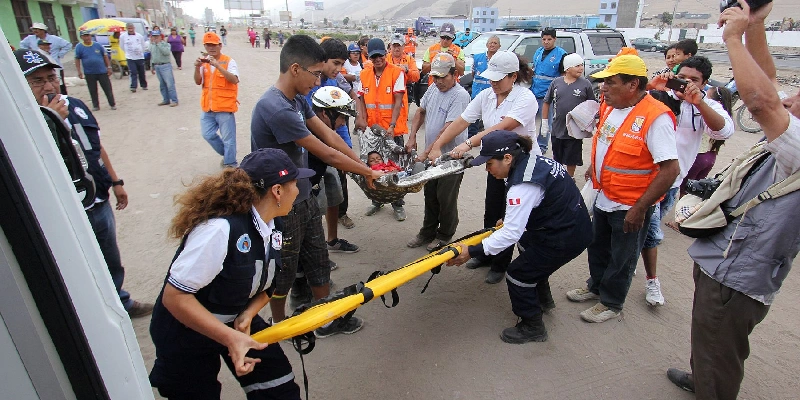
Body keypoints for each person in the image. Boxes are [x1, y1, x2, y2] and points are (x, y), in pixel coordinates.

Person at [667, 2, 800, 397]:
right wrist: (754, 27)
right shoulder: (790, 140)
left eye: (797, 99)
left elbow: (762, 100)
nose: (788, 101)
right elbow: (769, 83)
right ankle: (702, 377)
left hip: (738, 273)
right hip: (726, 260)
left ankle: (711, 388)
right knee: (709, 337)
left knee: (720, 347)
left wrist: (729, 38)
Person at [250, 34, 382, 336]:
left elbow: (331, 137)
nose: (319, 81)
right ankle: (279, 325)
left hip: (302, 193)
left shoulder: (296, 99)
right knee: (284, 268)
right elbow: (325, 152)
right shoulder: (276, 108)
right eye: (316, 73)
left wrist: (364, 167)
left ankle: (326, 317)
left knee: (317, 257)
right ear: (296, 69)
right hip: (280, 203)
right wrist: (365, 172)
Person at [148, 148, 307, 399]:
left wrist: (247, 315)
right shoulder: (219, 231)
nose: (297, 191)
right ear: (277, 191)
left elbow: (270, 283)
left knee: (279, 386)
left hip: (234, 318)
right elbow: (175, 297)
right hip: (185, 331)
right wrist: (230, 338)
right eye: (295, 184)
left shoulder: (275, 224)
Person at [15, 48, 153, 318]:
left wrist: (116, 181)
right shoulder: (23, 122)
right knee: (77, 266)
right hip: (67, 208)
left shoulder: (74, 105)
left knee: (110, 257)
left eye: (51, 77)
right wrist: (50, 121)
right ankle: (90, 317)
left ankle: (120, 302)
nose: (49, 86)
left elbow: (96, 147)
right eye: (37, 81)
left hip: (98, 198)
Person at [448, 131, 593, 343]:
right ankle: (543, 300)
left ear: (507, 158)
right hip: (569, 224)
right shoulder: (531, 160)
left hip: (565, 235)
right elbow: (529, 208)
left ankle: (532, 326)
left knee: (518, 273)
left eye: (489, 163)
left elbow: (511, 233)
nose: (488, 170)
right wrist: (508, 219)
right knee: (526, 247)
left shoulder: (523, 183)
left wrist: (472, 251)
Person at [565, 54, 679, 323]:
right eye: (603, 83)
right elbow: (608, 142)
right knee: (598, 245)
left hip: (631, 203)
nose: (603, 88)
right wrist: (596, 167)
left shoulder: (656, 117)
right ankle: (596, 287)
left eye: (611, 83)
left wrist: (640, 208)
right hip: (605, 193)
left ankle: (612, 302)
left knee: (623, 256)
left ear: (633, 85)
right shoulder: (611, 105)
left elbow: (670, 170)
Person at [427, 51, 539, 284]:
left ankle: (501, 263)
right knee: (491, 209)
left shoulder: (525, 98)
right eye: (491, 78)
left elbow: (503, 127)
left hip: (520, 166)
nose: (494, 83)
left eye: (499, 79)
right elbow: (461, 121)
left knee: (508, 216)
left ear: (513, 76)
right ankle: (487, 254)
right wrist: (437, 145)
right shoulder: (486, 95)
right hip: (498, 164)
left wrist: (468, 143)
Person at [641, 56, 734, 306]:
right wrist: (652, 87)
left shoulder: (706, 106)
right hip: (638, 179)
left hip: (668, 183)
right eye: (682, 78)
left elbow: (723, 131)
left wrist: (700, 102)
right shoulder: (659, 96)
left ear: (704, 83)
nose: (686, 84)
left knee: (647, 234)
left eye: (694, 80)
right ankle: (634, 280)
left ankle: (648, 280)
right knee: (640, 233)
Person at [406, 53, 471, 252]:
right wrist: (412, 136)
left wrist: (425, 152)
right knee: (431, 194)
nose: (439, 81)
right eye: (436, 77)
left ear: (455, 74)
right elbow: (420, 111)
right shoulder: (433, 88)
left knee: (446, 198)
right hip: (432, 156)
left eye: (444, 77)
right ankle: (427, 231)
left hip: (451, 157)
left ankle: (445, 234)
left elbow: (448, 128)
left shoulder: (460, 96)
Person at [305, 39, 365, 249]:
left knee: (334, 194)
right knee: (313, 206)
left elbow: (339, 124)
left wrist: (349, 152)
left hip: (333, 145)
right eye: (336, 63)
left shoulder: (335, 80)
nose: (339, 69)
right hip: (313, 152)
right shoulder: (308, 85)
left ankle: (332, 240)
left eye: (342, 64)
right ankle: (314, 253)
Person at [358, 37, 408, 221]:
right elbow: (361, 99)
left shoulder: (396, 73)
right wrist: (362, 119)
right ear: (369, 56)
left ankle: (398, 203)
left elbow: (397, 101)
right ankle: (377, 200)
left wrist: (392, 126)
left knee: (394, 167)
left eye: (380, 55)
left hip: (392, 130)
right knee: (374, 164)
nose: (377, 59)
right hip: (373, 130)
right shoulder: (364, 74)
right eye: (373, 56)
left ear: (385, 53)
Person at [541, 53, 594, 177]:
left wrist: (589, 123)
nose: (581, 68)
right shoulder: (556, 83)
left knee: (572, 157)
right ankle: (558, 177)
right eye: (577, 66)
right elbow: (546, 102)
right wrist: (544, 122)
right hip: (558, 127)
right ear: (567, 68)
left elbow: (592, 105)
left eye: (582, 65)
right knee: (557, 155)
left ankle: (570, 178)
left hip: (575, 130)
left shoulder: (585, 84)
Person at [677, 85, 733, 198]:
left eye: (707, 97)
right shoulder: (724, 116)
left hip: (697, 158)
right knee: (694, 191)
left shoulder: (707, 114)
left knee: (685, 191)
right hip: (710, 157)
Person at [195, 32, 239, 167]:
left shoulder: (229, 61)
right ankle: (227, 155)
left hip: (224, 108)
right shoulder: (203, 63)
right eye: (208, 45)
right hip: (208, 107)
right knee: (207, 134)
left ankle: (230, 164)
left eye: (214, 45)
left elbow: (234, 79)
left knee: (229, 139)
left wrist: (218, 66)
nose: (211, 48)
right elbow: (198, 81)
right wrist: (197, 68)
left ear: (220, 45)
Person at [531, 28, 567, 154]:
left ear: (555, 39)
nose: (546, 42)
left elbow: (563, 77)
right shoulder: (538, 52)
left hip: (549, 94)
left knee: (545, 121)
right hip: (535, 91)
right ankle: (530, 142)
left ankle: (542, 145)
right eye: (544, 39)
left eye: (549, 39)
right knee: (529, 118)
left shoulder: (561, 54)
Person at [20, 22, 71, 95]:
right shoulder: (30, 39)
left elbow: (68, 45)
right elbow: (22, 45)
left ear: (43, 30)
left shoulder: (54, 39)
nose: (35, 31)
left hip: (55, 65)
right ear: (40, 46)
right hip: (39, 67)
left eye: (37, 29)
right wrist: (30, 53)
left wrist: (59, 55)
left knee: (60, 86)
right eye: (34, 29)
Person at [467, 35, 501, 138]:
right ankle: (471, 135)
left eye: (495, 43)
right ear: (486, 45)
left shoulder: (500, 59)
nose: (492, 45)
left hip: (493, 92)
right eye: (491, 42)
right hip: (477, 91)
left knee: (491, 115)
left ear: (499, 46)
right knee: (474, 114)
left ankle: (489, 136)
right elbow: (473, 73)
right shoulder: (477, 57)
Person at [74, 30, 116, 111]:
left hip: (102, 71)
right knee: (92, 90)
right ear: (81, 37)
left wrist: (109, 67)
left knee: (107, 88)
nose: (87, 37)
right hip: (89, 73)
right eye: (85, 36)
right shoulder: (79, 47)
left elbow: (105, 56)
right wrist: (79, 71)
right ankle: (96, 105)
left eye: (88, 35)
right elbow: (77, 59)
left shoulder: (97, 45)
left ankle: (112, 104)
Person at [388, 34, 420, 141]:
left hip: (402, 93)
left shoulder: (409, 59)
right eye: (394, 45)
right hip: (386, 93)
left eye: (399, 46)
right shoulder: (384, 58)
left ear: (403, 47)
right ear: (390, 46)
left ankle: (398, 141)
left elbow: (416, 76)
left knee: (400, 120)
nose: (397, 48)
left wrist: (407, 70)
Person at [150, 30, 179, 107]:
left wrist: (159, 44)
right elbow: (152, 57)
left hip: (165, 66)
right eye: (154, 36)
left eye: (157, 36)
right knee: (162, 84)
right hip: (157, 66)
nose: (155, 38)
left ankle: (174, 100)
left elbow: (166, 52)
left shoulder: (166, 44)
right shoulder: (152, 46)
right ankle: (165, 99)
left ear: (160, 37)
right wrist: (151, 66)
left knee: (170, 84)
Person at [119, 23, 148, 92]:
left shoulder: (139, 36)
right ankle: (133, 86)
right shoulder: (123, 36)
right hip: (130, 57)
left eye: (132, 28)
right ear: (127, 29)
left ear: (134, 28)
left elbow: (143, 45)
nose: (130, 30)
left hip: (140, 57)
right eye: (129, 28)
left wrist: (140, 51)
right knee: (133, 71)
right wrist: (128, 52)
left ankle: (143, 85)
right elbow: (122, 46)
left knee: (141, 72)